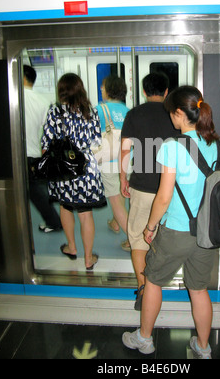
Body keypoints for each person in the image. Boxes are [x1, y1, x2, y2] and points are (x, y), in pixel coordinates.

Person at [122, 86, 220, 359]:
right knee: (199, 289)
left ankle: (144, 339)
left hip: (177, 229)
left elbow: (163, 197)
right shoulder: (215, 144)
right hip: (206, 232)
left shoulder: (173, 147)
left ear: (180, 113)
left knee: (152, 281)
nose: (171, 120)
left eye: (172, 115)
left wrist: (150, 227)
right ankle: (202, 347)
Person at [120, 73, 179, 310]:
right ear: (166, 91)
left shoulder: (134, 114)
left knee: (137, 240)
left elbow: (125, 150)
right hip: (171, 189)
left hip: (142, 187)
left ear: (144, 92)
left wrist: (123, 177)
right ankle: (157, 287)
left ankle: (144, 287)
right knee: (163, 239)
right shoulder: (175, 114)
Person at [41, 73, 106, 270]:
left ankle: (71, 247)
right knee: (86, 213)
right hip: (86, 167)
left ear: (61, 90)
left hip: (63, 168)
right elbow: (97, 142)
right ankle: (88, 258)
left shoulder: (55, 112)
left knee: (65, 206)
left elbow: (46, 144)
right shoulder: (91, 112)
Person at [23, 65, 62, 233]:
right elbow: (47, 130)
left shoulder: (13, 97)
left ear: (22, 77)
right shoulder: (43, 101)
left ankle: (54, 222)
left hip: (18, 154)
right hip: (35, 153)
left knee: (36, 193)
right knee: (38, 191)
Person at [96, 75, 130, 251]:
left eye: (103, 87)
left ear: (108, 90)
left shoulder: (99, 110)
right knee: (122, 192)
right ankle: (115, 223)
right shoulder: (129, 111)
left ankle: (133, 241)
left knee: (115, 200)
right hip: (128, 160)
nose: (101, 90)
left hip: (109, 161)